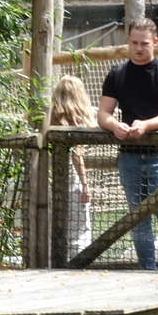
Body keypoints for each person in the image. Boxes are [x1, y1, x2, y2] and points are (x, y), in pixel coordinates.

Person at [97, 17, 158, 270]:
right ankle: (147, 269)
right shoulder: (117, 73)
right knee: (138, 217)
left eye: (144, 43)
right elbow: (103, 113)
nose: (139, 48)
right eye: (134, 43)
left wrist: (146, 125)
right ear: (127, 41)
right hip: (129, 156)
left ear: (155, 43)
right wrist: (115, 125)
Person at [50, 75, 94, 258]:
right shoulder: (74, 120)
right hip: (68, 176)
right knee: (77, 225)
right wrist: (85, 184)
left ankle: (48, 260)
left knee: (50, 221)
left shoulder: (47, 115)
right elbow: (77, 154)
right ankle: (79, 262)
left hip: (45, 173)